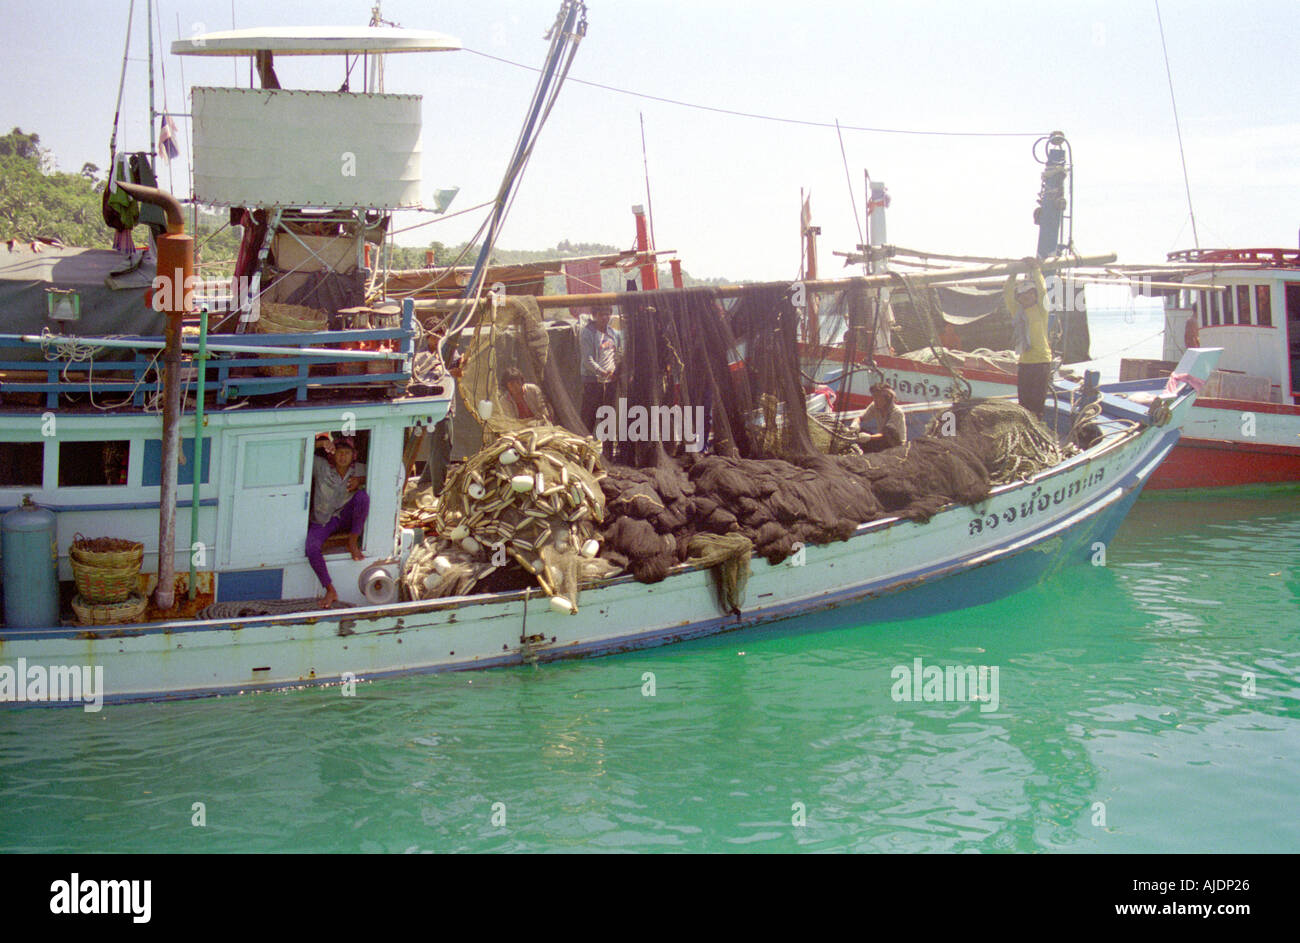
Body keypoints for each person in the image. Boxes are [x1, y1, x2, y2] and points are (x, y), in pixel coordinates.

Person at [306, 434, 368, 607]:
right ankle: (330, 590)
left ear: (353, 456)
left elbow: (382, 472)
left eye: (347, 453)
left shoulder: (359, 469)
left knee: (362, 497)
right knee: (311, 548)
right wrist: (320, 443)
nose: (343, 456)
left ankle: (352, 542)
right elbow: (301, 450)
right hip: (323, 520)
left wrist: (360, 480)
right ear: (333, 454)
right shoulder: (321, 466)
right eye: (339, 452)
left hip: (343, 518)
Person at [1004, 258, 1053, 418]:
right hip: (1025, 363)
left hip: (1041, 362)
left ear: (1035, 295)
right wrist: (1013, 274)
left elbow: (1043, 290)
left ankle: (1037, 433)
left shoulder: (1041, 310)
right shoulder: (1017, 312)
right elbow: (1007, 294)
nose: (1026, 296)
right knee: (1024, 405)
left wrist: (1036, 270)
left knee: (1037, 405)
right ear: (1019, 297)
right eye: (1022, 294)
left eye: (1030, 293)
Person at [580, 305, 622, 440]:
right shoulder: (588, 333)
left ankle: (608, 454)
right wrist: (602, 372)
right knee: (588, 418)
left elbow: (619, 353)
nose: (605, 317)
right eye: (601, 314)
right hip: (593, 381)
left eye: (607, 314)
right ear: (594, 315)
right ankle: (583, 449)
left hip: (610, 382)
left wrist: (617, 371)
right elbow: (587, 359)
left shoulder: (614, 334)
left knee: (608, 419)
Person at [858, 382, 906, 453]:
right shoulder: (875, 406)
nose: (875, 400)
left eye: (877, 397)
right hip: (882, 439)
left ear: (887, 398)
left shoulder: (897, 412)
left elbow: (887, 435)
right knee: (858, 432)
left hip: (895, 445)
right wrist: (855, 424)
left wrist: (869, 438)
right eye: (874, 397)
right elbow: (861, 418)